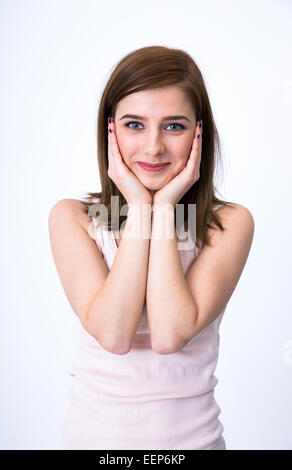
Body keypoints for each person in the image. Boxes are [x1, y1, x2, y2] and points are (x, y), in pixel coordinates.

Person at [48, 45, 255, 450]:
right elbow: (114, 334)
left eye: (174, 126)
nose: (154, 147)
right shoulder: (73, 218)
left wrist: (164, 209)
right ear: (110, 131)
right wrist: (140, 207)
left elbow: (169, 334)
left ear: (200, 132)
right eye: (134, 125)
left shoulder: (229, 224)